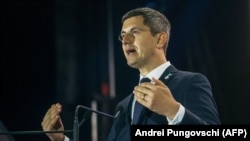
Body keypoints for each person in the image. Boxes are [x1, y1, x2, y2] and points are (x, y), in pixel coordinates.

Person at [41, 7, 220, 141]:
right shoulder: (124, 106)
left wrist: (173, 111)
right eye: (123, 35)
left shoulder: (190, 83)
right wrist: (61, 139)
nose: (125, 41)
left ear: (160, 39)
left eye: (135, 32)